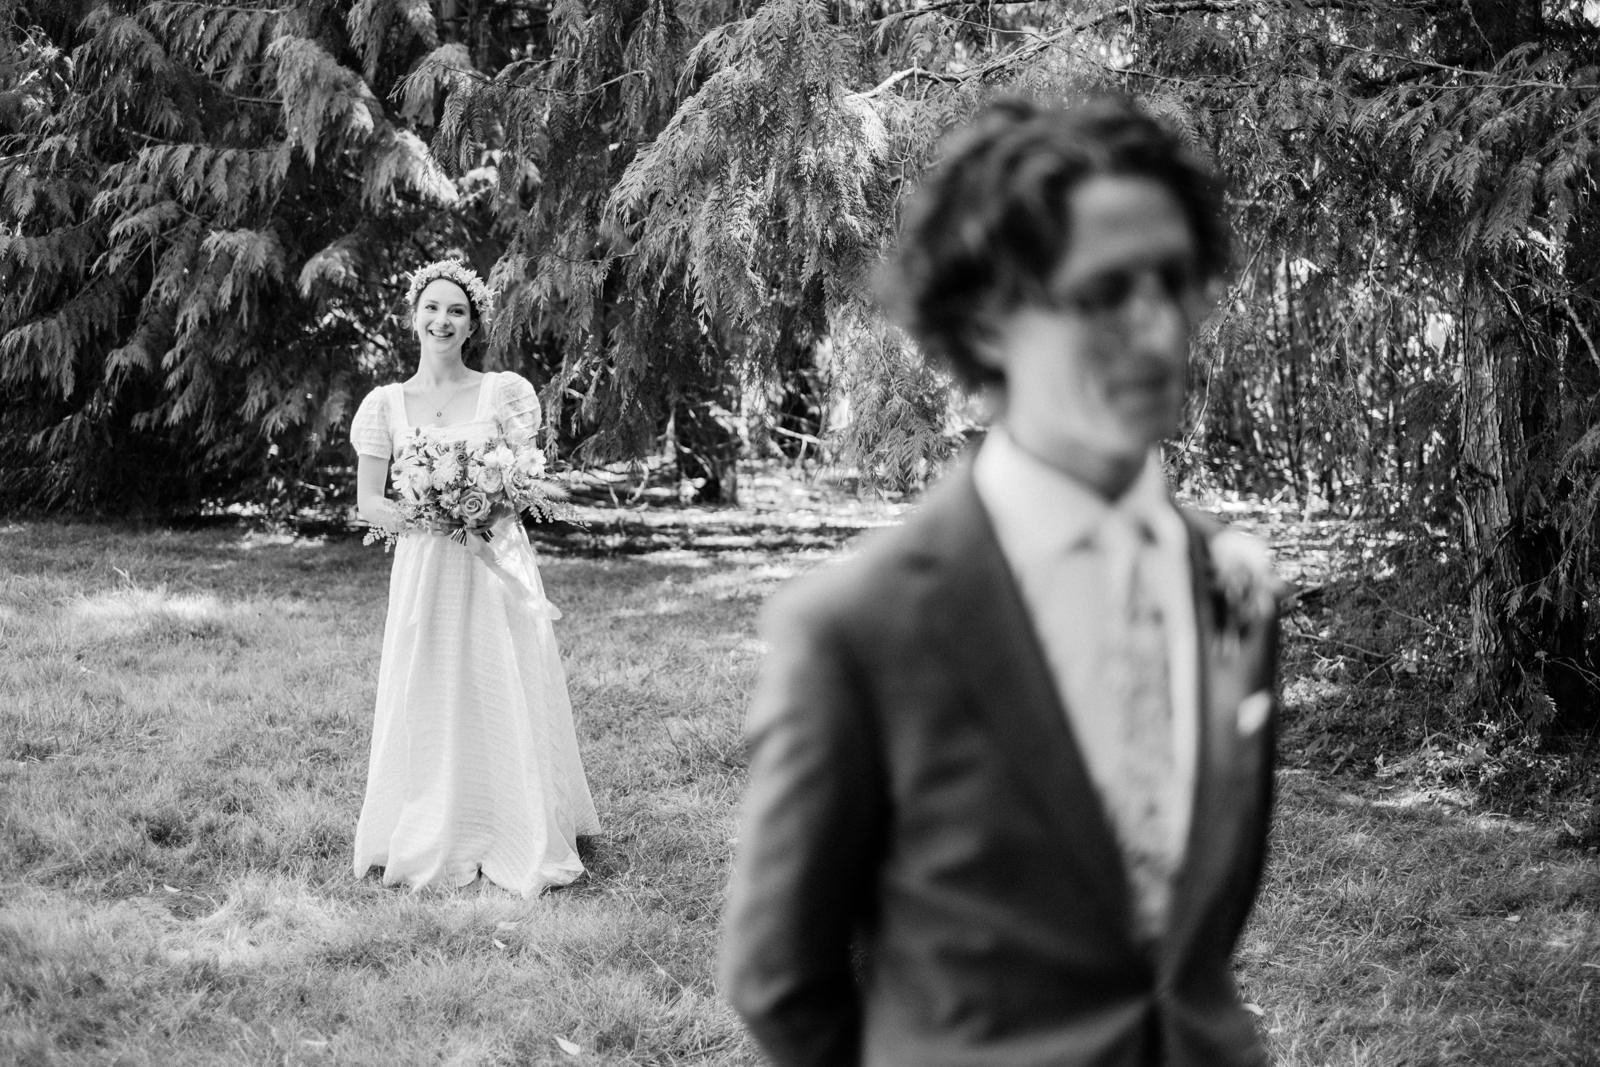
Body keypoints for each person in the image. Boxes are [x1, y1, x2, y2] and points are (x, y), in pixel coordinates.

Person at [719, 95, 1284, 1065]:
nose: (1157, 331)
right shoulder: (860, 628)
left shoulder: (1231, 580)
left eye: (1176, 280)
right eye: (1104, 291)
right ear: (987, 323)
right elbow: (780, 981)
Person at [348, 258, 599, 897]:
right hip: (427, 566)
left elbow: (526, 480)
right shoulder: (385, 406)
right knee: (430, 685)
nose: (442, 320)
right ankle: (436, 822)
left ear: (472, 324)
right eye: (432, 308)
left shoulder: (502, 393)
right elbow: (370, 502)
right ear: (413, 317)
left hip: (494, 561)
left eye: (456, 310)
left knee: (502, 678)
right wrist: (429, 508)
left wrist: (483, 503)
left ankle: (517, 825)